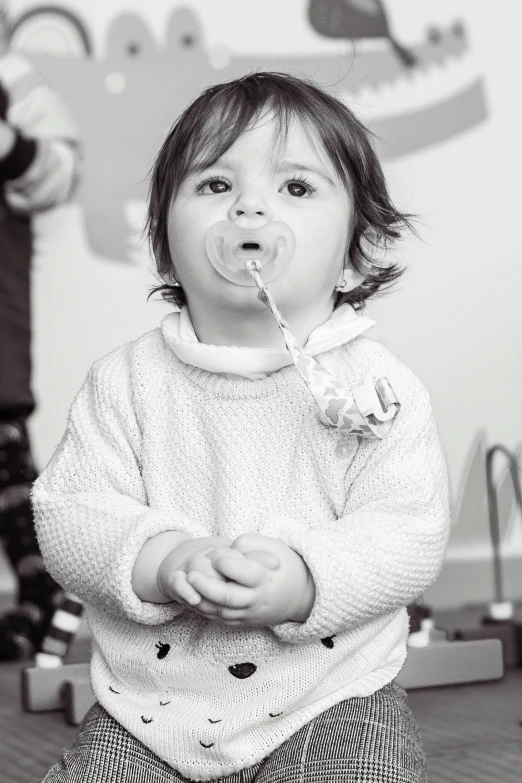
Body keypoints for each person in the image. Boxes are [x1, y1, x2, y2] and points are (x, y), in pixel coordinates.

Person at [32, 72, 450, 783]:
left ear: (354, 253)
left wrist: (304, 580)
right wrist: (163, 559)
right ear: (165, 245)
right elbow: (71, 514)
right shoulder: (125, 381)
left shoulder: (374, 386)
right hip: (150, 711)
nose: (250, 207)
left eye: (295, 188)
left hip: (331, 698)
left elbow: (407, 530)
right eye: (216, 186)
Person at [0, 3, 80, 659]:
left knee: (3, 448)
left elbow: (59, 173)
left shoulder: (12, 78)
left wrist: (12, 145)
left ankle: (40, 592)